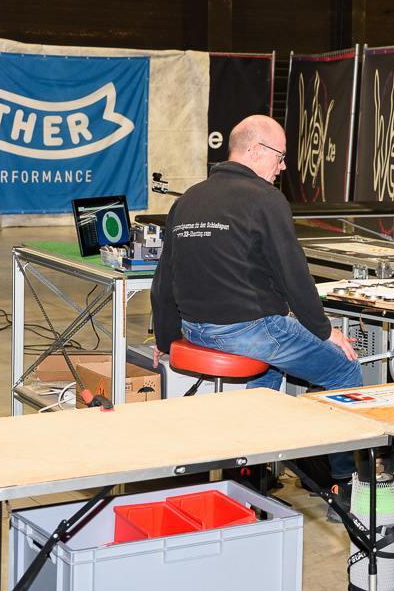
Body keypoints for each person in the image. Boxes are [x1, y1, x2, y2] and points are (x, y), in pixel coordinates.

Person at [150, 114, 363, 499]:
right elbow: (293, 273)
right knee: (345, 370)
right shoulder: (266, 199)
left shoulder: (187, 201)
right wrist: (323, 329)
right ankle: (346, 485)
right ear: (254, 150)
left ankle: (251, 474)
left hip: (196, 330)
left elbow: (164, 279)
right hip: (247, 331)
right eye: (280, 157)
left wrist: (166, 339)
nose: (282, 168)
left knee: (268, 374)